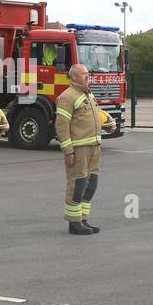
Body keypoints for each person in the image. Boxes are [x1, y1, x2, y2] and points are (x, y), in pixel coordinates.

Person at [55, 63, 102, 235]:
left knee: (91, 184)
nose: (87, 76)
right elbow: (62, 126)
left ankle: (83, 219)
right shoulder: (68, 96)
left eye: (88, 73)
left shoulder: (88, 94)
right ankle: (74, 223)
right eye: (84, 74)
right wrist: (68, 151)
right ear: (74, 76)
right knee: (77, 184)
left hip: (94, 147)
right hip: (79, 149)